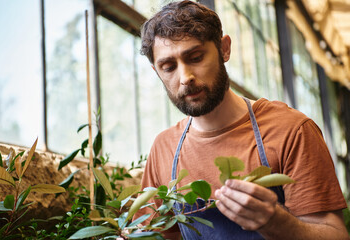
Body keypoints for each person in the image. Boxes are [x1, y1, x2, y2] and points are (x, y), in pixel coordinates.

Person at [134, 1, 349, 239]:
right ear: (157, 72)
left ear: (224, 49)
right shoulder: (164, 147)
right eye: (168, 67)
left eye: (195, 57)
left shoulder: (291, 130)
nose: (185, 77)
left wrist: (278, 223)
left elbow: (335, 234)